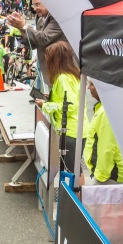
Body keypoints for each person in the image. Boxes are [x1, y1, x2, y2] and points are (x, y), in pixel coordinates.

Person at [6, 0, 67, 88]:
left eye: (37, 4)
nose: (34, 8)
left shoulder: (57, 18)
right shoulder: (40, 20)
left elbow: (43, 38)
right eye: (33, 5)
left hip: (62, 71)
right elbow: (33, 44)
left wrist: (23, 26)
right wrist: (21, 29)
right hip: (49, 71)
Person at [37, 40, 80, 169]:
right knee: (74, 168)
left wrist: (46, 105)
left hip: (70, 131)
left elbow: (70, 106)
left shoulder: (63, 79)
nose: (45, 59)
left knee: (74, 170)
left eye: (48, 56)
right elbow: (67, 99)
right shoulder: (71, 75)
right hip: (73, 130)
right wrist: (51, 97)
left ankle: (77, 190)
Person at [83, 81, 123, 184]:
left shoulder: (105, 112)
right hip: (108, 174)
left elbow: (107, 148)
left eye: (92, 84)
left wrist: (100, 178)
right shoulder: (105, 108)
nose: (89, 88)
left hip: (107, 177)